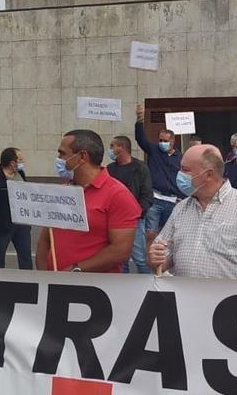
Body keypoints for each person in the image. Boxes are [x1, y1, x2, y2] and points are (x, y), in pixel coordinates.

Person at [148, 144, 237, 280]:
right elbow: (160, 261)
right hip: (183, 293)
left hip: (229, 294)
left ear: (208, 175)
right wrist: (155, 259)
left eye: (185, 170)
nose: (179, 174)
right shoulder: (180, 208)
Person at [36, 130, 140, 273]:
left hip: (95, 285)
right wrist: (43, 278)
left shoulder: (118, 195)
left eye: (62, 154)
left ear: (82, 156)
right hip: (53, 283)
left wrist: (76, 270)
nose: (59, 159)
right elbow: (45, 240)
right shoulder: (62, 192)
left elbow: (121, 250)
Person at [135, 105, 184, 240]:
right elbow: (141, 139)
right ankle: (149, 255)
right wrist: (140, 120)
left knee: (170, 236)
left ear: (172, 141)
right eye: (160, 140)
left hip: (173, 201)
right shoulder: (154, 150)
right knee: (150, 233)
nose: (162, 143)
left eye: (165, 141)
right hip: (155, 199)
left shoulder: (180, 158)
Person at [107, 136, 154, 274]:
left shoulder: (140, 168)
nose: (110, 149)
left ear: (121, 147)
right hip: (114, 220)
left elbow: (147, 194)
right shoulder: (110, 169)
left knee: (140, 258)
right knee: (120, 259)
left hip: (134, 220)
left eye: (112, 146)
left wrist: (138, 213)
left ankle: (147, 283)